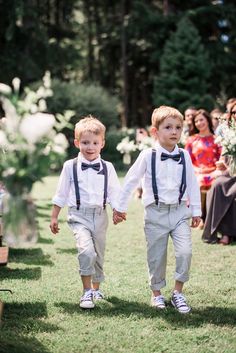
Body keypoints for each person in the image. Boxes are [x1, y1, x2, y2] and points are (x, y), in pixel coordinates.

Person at [114, 106, 201, 314]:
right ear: (155, 132)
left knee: (185, 252)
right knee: (156, 256)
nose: (174, 132)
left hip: (180, 212)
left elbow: (192, 183)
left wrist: (196, 210)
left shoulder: (184, 155)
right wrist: (120, 207)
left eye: (178, 127)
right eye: (168, 127)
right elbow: (131, 181)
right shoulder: (147, 155)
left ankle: (178, 292)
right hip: (155, 214)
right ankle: (157, 294)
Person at [50, 116, 121, 309]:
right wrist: (54, 216)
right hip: (78, 216)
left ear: (102, 144)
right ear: (76, 143)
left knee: (98, 253)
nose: (90, 147)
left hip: (100, 215)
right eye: (85, 142)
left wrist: (117, 210)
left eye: (95, 143)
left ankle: (96, 288)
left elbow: (115, 192)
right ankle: (86, 291)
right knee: (86, 251)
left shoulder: (108, 167)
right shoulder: (69, 166)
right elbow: (61, 193)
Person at [202, 102, 236, 245]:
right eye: (234, 113)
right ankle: (218, 231)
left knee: (232, 192)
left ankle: (229, 233)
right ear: (230, 115)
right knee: (217, 185)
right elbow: (223, 157)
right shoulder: (229, 133)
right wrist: (220, 166)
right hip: (229, 172)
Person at [185, 109, 221, 227]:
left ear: (208, 120)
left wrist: (217, 170)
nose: (199, 123)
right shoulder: (191, 140)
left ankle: (210, 219)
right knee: (200, 181)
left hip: (214, 171)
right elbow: (187, 160)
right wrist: (196, 170)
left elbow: (221, 159)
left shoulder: (217, 139)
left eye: (202, 120)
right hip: (197, 171)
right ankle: (199, 217)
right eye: (196, 121)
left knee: (215, 181)